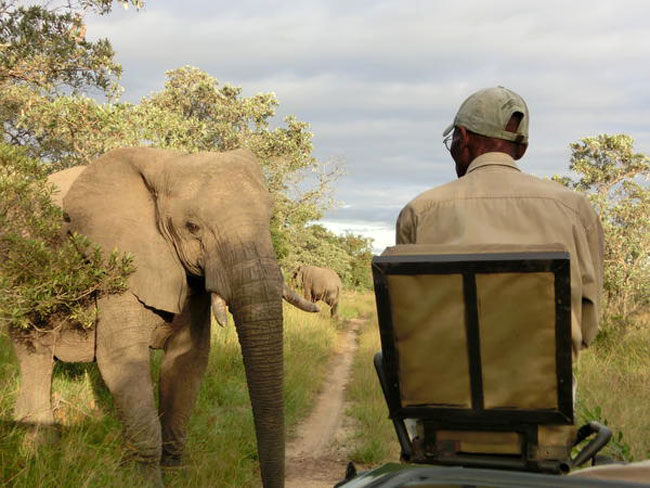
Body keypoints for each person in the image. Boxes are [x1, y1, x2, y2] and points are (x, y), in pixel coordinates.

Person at [396, 86, 603, 358]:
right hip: (543, 380)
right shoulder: (576, 210)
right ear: (522, 149)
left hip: (442, 378)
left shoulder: (419, 211)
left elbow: (404, 321)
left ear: (463, 138)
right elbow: (588, 323)